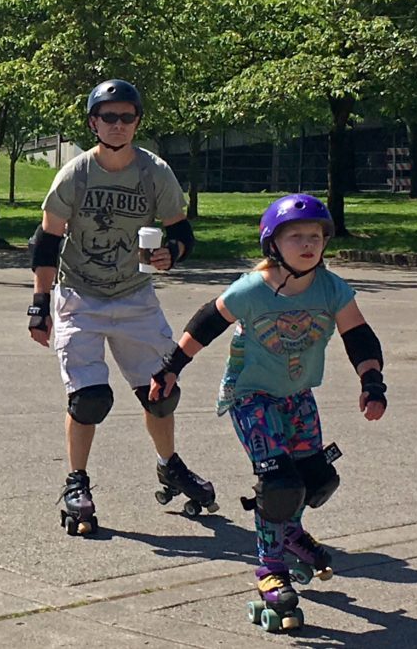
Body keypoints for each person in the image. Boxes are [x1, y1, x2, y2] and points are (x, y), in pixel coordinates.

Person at [149, 193, 387, 631]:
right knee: (277, 484)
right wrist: (170, 369)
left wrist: (372, 382)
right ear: (272, 244)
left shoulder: (331, 288)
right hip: (250, 395)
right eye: (295, 236)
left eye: (315, 236)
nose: (308, 243)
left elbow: (360, 337)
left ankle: (291, 534)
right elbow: (207, 322)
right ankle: (269, 568)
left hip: (298, 395)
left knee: (315, 479)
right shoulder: (253, 288)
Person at [27, 79, 215, 537]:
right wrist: (39, 303)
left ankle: (169, 465)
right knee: (88, 399)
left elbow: (182, 231)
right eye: (107, 117)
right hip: (79, 295)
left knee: (161, 392)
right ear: (93, 122)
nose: (116, 125)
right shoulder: (75, 174)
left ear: (137, 122)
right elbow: (47, 240)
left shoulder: (155, 173)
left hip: (134, 295)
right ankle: (76, 483)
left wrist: (174, 253)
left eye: (126, 117)